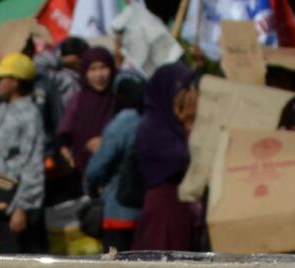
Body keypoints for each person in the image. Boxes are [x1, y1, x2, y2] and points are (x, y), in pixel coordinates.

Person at [0, 53, 47, 253]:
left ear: (15, 82)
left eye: (1, 78)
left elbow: (33, 164)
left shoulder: (30, 115)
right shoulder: (1, 109)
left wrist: (22, 208)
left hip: (16, 203)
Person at [132, 63, 204, 254]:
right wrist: (189, 124)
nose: (189, 95)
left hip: (182, 210)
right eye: (184, 89)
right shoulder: (153, 126)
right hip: (164, 211)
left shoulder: (174, 124)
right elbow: (185, 158)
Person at [83, 74, 146, 250]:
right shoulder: (150, 120)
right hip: (144, 210)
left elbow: (98, 165)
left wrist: (90, 187)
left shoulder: (121, 124)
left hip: (118, 209)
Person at [59, 47, 120, 172]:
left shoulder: (120, 100)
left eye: (103, 67)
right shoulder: (77, 100)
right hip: (81, 171)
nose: (99, 74)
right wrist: (66, 153)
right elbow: (64, 133)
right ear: (84, 72)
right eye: (92, 69)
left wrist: (108, 143)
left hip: (114, 172)